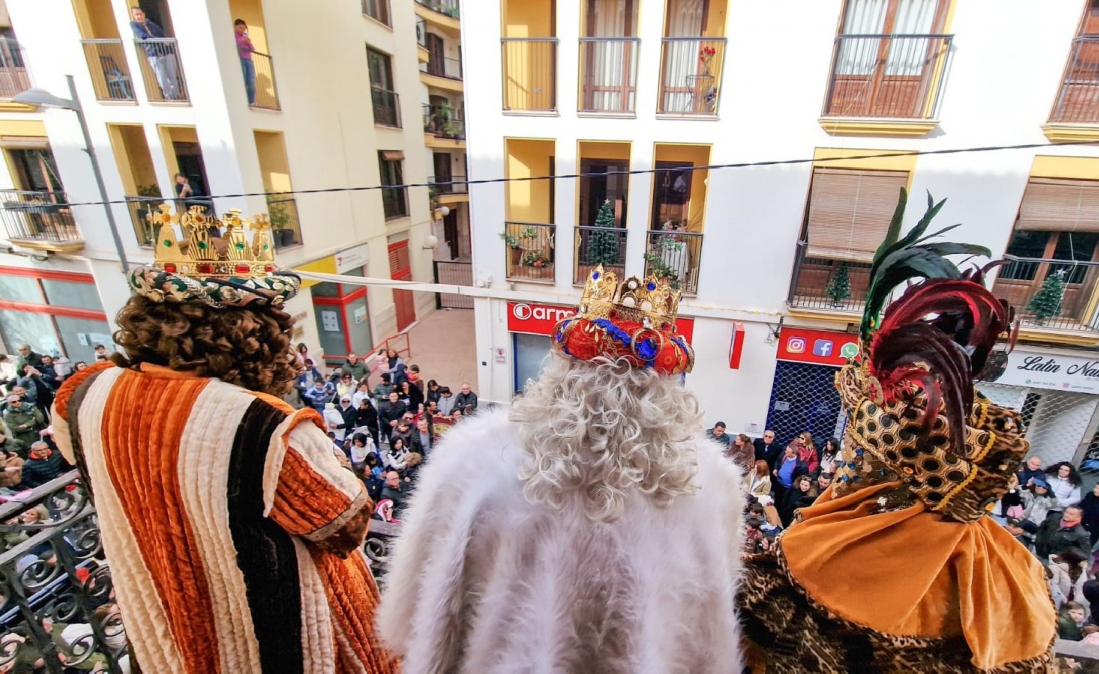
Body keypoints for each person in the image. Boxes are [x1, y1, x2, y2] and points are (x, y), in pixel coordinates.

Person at [50, 206, 391, 673]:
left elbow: (74, 450)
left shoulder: (84, 391)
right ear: (253, 335)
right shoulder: (264, 426)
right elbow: (344, 527)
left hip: (164, 624)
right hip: (259, 637)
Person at [376, 265, 742, 671]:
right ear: (664, 383)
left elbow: (406, 616)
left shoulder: (470, 459)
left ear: (563, 366)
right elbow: (710, 631)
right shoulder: (713, 482)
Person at [739, 202, 1055, 671]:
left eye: (851, 454)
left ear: (874, 464)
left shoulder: (820, 562)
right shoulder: (1016, 575)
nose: (841, 469)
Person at [131, 7, 182, 99]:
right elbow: (143, 36)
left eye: (140, 14)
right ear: (133, 16)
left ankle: (176, 96)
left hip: (166, 51)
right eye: (136, 15)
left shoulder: (152, 24)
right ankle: (169, 97)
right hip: (153, 54)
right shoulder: (134, 25)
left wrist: (163, 40)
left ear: (144, 14)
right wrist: (160, 41)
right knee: (162, 78)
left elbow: (162, 34)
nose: (139, 16)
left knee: (172, 76)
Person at [233, 19, 256, 105]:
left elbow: (252, 49)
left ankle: (251, 101)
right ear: (235, 27)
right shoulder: (234, 36)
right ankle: (244, 101)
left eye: (244, 28)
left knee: (251, 81)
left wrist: (248, 42)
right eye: (240, 28)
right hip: (241, 59)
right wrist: (241, 40)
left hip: (248, 60)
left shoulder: (245, 37)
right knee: (244, 80)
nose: (242, 30)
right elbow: (234, 45)